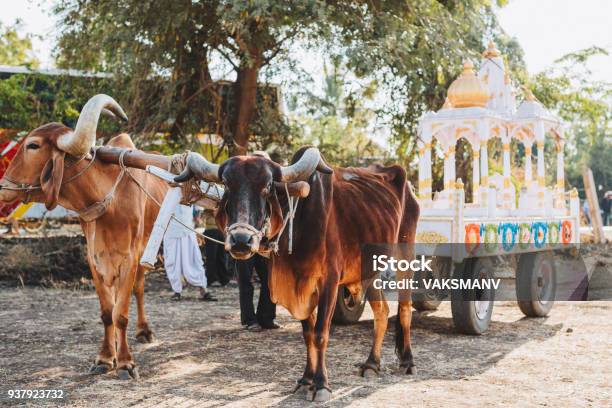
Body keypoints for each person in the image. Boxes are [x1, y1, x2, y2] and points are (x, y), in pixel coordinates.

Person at [163, 204, 216, 301]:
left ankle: (203, 289)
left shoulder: (191, 189)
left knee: (194, 259)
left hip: (187, 229)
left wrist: (197, 217)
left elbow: (198, 205)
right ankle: (177, 291)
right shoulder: (166, 190)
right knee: (173, 262)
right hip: (171, 230)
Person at [235, 255, 279, 331]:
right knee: (245, 283)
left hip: (263, 245)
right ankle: (249, 321)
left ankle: (266, 318)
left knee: (270, 280)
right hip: (244, 246)